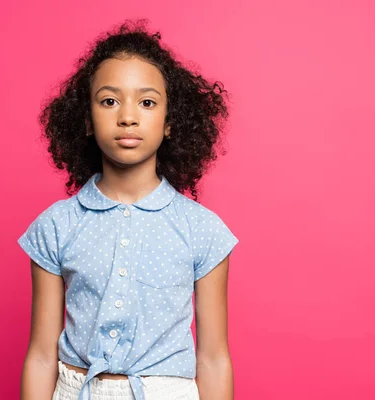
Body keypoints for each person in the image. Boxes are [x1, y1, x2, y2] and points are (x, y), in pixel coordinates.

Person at [18, 19, 239, 400]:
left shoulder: (203, 230)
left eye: (147, 102)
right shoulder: (55, 226)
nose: (128, 117)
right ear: (86, 120)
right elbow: (40, 355)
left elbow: (215, 357)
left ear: (171, 123)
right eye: (109, 100)